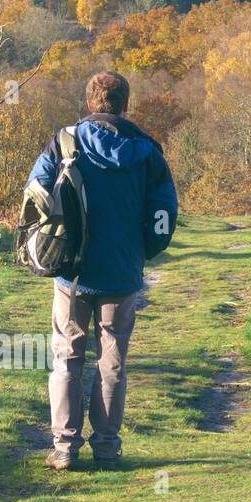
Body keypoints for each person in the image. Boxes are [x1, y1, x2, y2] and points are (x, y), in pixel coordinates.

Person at [26, 72, 178, 471]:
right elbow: (164, 214)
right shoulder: (147, 152)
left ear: (91, 104)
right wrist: (144, 251)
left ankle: (64, 448)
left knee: (67, 357)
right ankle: (107, 448)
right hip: (122, 274)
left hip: (70, 272)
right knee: (113, 362)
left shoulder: (64, 142)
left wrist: (47, 244)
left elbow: (36, 194)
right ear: (126, 105)